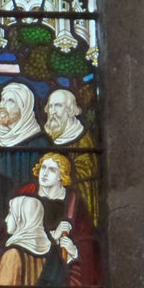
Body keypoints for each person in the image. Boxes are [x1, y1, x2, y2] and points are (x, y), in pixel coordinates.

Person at [18, 152, 102, 288]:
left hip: (62, 278)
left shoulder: (73, 204)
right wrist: (53, 239)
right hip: (30, 272)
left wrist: (74, 251)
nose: (45, 173)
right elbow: (14, 236)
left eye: (52, 169)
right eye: (43, 167)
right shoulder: (26, 195)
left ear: (61, 177)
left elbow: (89, 245)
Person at [0, 82, 51, 234]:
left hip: (29, 221)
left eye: (11, 101)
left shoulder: (40, 144)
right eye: (2, 100)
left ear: (24, 108)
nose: (3, 105)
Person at [44, 88, 99, 223]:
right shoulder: (45, 138)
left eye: (58, 106)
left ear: (70, 109)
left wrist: (61, 173)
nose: (53, 111)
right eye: (50, 106)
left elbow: (86, 173)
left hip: (74, 205)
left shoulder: (82, 139)